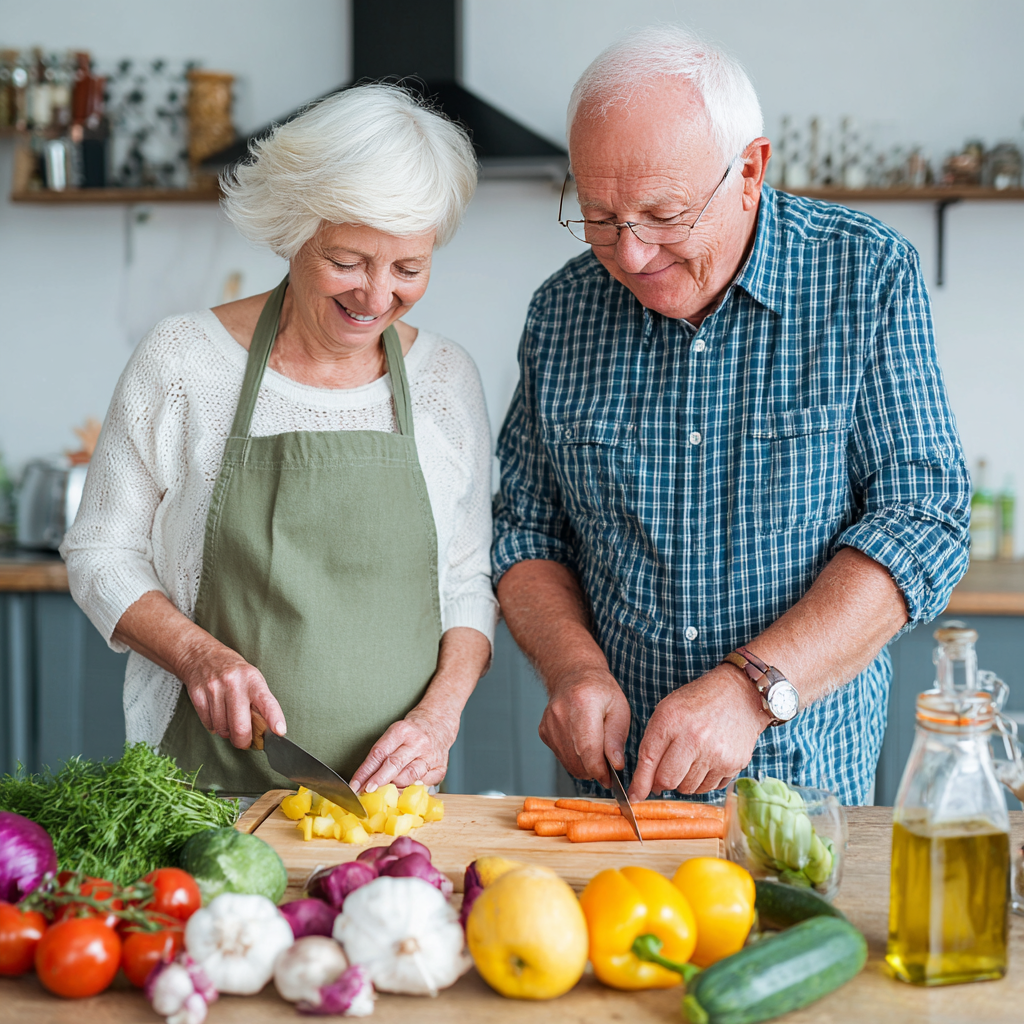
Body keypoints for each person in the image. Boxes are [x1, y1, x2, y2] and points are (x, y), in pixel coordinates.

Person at [492, 27, 970, 806]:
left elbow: (923, 520)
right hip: (614, 802)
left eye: (663, 214)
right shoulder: (561, 312)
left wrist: (753, 688)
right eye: (601, 216)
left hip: (804, 791)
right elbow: (527, 530)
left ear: (749, 171)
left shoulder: (864, 275)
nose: (633, 253)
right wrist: (572, 669)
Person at [62, 85, 497, 795]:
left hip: (389, 805)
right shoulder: (183, 361)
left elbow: (467, 586)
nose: (377, 296)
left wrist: (437, 722)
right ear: (294, 229)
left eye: (408, 269)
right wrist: (200, 657)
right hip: (198, 793)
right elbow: (100, 553)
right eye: (349, 261)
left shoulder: (446, 379)